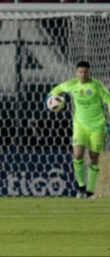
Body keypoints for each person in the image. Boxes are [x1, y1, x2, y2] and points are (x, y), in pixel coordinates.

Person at [47, 61, 110, 199]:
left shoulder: (97, 86)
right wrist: (49, 99)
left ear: (90, 73)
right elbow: (57, 89)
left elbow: (109, 101)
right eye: (80, 72)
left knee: (94, 158)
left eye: (85, 72)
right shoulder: (72, 84)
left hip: (97, 127)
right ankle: (81, 188)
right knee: (77, 155)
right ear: (76, 73)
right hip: (79, 126)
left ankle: (90, 192)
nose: (83, 74)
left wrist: (109, 124)